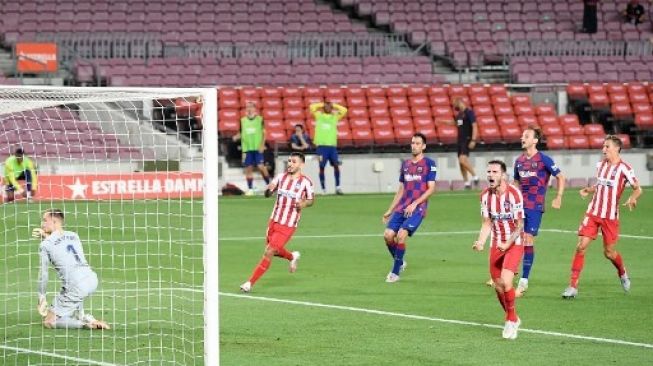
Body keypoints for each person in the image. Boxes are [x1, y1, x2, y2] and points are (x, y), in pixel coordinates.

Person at [562, 135, 642, 299]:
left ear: (616, 148)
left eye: (606, 147)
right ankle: (572, 286)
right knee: (581, 246)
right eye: (603, 146)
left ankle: (622, 272)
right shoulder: (600, 165)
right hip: (593, 212)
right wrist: (589, 189)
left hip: (610, 216)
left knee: (609, 253)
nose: (603, 149)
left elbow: (637, 188)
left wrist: (633, 198)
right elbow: (600, 184)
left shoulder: (625, 168)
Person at [240, 152, 314, 293]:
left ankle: (249, 283)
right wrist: (268, 191)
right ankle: (292, 256)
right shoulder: (280, 177)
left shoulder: (306, 182)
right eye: (289, 161)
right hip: (274, 220)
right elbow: (270, 188)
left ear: (301, 164)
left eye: (294, 161)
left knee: (269, 251)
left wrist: (303, 204)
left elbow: (311, 200)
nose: (290, 164)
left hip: (289, 224)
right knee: (272, 250)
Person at [473, 160, 524, 340]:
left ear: (503, 175)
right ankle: (513, 316)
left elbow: (519, 225)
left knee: (506, 282)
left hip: (514, 242)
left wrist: (508, 243)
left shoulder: (514, 194)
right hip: (496, 243)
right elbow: (487, 223)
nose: (490, 175)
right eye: (488, 172)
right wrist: (480, 241)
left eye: (495, 172)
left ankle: (510, 320)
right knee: (498, 286)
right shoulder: (485, 196)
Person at [33, 208, 110, 330]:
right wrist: (46, 235)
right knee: (72, 287)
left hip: (76, 285)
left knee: (49, 321)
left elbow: (44, 274)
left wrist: (41, 296)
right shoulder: (74, 236)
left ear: (54, 222)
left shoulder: (45, 245)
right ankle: (84, 316)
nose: (42, 224)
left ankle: (86, 324)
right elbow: (61, 242)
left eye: (44, 220)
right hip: (92, 279)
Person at [512, 127, 566, 297]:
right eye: (522, 135)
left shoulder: (544, 159)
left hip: (535, 206)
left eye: (526, 136)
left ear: (535, 140)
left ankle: (523, 281)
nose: (522, 138)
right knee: (514, 237)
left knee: (527, 239)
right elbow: (515, 182)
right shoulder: (519, 161)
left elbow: (561, 177)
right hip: (519, 205)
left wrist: (558, 197)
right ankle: (509, 271)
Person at [381, 133, 437, 283]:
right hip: (402, 207)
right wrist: (390, 210)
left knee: (400, 235)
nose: (414, 146)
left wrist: (415, 203)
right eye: (413, 143)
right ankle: (401, 262)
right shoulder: (405, 165)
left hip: (418, 208)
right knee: (387, 235)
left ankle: (395, 272)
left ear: (423, 146)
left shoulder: (429, 164)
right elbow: (401, 190)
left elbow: (431, 189)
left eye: (418, 143)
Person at [232, 101, 271, 196]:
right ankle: (250, 189)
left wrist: (262, 145)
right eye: (247, 107)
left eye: (251, 107)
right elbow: (241, 132)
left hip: (257, 148)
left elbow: (264, 133)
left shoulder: (260, 119)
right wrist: (236, 136)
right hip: (247, 148)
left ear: (254, 109)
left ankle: (270, 186)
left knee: (261, 167)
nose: (249, 109)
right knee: (248, 168)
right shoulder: (242, 120)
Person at [310, 101, 348, 195]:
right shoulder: (319, 116)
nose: (328, 108)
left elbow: (344, 110)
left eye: (329, 107)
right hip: (321, 147)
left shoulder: (334, 117)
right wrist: (322, 104)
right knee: (322, 167)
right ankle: (323, 189)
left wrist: (333, 105)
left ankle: (338, 187)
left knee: (336, 165)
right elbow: (312, 107)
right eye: (326, 107)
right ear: (323, 108)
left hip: (332, 147)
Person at [442, 98, 479, 189]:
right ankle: (466, 183)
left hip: (467, 140)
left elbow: (474, 126)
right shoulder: (459, 115)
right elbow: (456, 124)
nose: (454, 106)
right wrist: (442, 122)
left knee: (462, 160)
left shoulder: (469, 113)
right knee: (461, 163)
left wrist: (473, 140)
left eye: (455, 104)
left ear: (460, 102)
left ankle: (475, 176)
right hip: (459, 141)